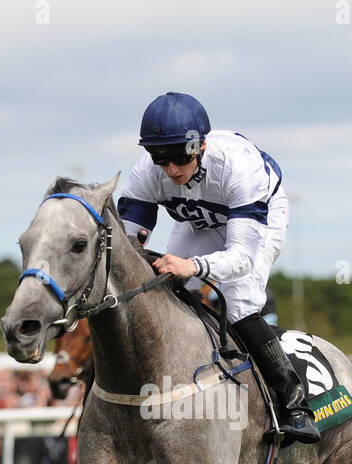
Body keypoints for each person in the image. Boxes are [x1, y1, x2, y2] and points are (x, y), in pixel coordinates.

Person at [117, 92, 318, 445]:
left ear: (202, 145)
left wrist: (193, 265)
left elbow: (240, 258)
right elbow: (127, 244)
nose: (171, 169)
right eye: (160, 159)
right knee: (160, 290)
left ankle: (294, 406)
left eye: (180, 157)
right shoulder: (147, 172)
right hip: (199, 221)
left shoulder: (239, 166)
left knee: (240, 305)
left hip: (256, 223)